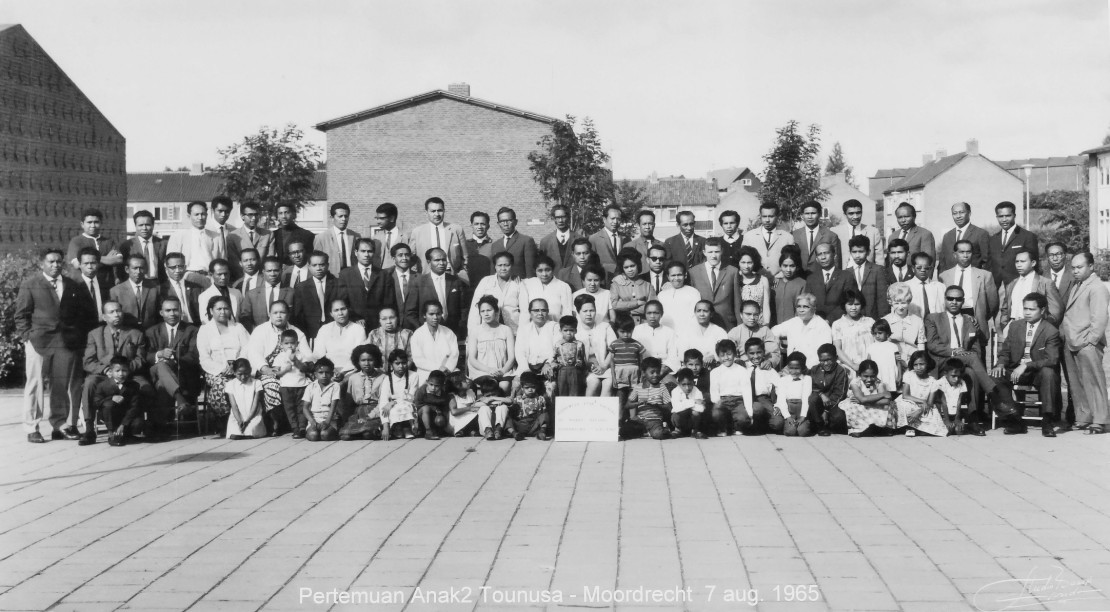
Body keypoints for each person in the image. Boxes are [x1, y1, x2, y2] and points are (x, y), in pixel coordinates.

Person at [923, 285, 1018, 434]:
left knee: (972, 373)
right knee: (972, 358)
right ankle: (994, 396)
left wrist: (964, 355)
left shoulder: (970, 321)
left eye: (958, 299)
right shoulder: (933, 318)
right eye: (950, 298)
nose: (954, 302)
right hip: (943, 362)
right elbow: (933, 345)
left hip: (965, 362)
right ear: (945, 300)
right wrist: (953, 352)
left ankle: (973, 420)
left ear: (963, 301)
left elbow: (976, 349)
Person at [15, 249, 86, 443]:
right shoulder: (31, 284)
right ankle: (32, 426)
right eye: (51, 262)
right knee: (35, 384)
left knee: (60, 384)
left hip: (65, 342)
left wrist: (75, 335)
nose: (55, 265)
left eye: (59, 262)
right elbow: (21, 315)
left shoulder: (72, 284)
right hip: (38, 341)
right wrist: (27, 337)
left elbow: (79, 313)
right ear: (42, 264)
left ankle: (59, 424)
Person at [75, 301, 152, 443]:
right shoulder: (95, 334)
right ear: (104, 317)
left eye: (118, 311)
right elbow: (88, 361)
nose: (116, 314)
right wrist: (105, 370)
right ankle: (89, 428)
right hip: (103, 375)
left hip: (129, 374)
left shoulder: (136, 334)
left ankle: (141, 425)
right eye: (111, 312)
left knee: (145, 386)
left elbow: (140, 359)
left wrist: (125, 370)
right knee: (89, 383)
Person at [990, 292, 1061, 437]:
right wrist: (1001, 364)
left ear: (1042, 311)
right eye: (1025, 309)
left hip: (1036, 372)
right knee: (994, 376)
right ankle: (1013, 418)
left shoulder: (1050, 330)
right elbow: (1005, 351)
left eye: (1032, 309)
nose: (1027, 313)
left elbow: (1051, 359)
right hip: (1014, 369)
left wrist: (1027, 365)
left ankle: (1047, 421)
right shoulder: (1016, 326)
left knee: (1049, 373)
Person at [1059, 252, 1109, 434]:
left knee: (1094, 382)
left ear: (1091, 267)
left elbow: (1100, 318)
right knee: (1077, 383)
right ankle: (1084, 416)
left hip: (1087, 343)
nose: (1075, 271)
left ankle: (1100, 420)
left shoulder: (1097, 287)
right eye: (1073, 267)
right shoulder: (1078, 285)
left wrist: (1091, 341)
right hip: (1072, 340)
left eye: (1079, 267)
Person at [144, 297, 200, 428]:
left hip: (182, 372)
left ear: (181, 311)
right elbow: (145, 356)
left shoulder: (191, 330)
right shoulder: (152, 331)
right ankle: (181, 400)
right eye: (168, 310)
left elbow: (194, 356)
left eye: (175, 310)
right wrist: (159, 354)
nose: (172, 314)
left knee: (161, 384)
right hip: (156, 371)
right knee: (161, 365)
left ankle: (162, 426)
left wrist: (175, 358)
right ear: (161, 313)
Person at [197, 295, 252, 426]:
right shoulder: (205, 330)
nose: (223, 312)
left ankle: (246, 418)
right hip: (216, 371)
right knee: (223, 385)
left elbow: (248, 348)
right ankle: (225, 420)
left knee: (249, 383)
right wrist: (223, 369)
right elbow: (204, 358)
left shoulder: (238, 327)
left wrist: (237, 365)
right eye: (219, 309)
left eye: (226, 308)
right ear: (211, 311)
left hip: (240, 368)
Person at [939, 239, 999, 339]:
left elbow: (993, 303)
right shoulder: (944, 276)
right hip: (952, 317)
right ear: (955, 254)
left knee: (977, 351)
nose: (965, 255)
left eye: (968, 252)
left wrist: (981, 316)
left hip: (975, 317)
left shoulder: (984, 275)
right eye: (961, 252)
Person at [709, 339, 770, 435]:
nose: (726, 358)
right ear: (718, 356)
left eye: (729, 354)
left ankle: (737, 427)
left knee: (744, 417)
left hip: (738, 401)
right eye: (722, 355)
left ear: (735, 354)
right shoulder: (715, 372)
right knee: (716, 414)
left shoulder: (741, 371)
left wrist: (749, 413)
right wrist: (717, 403)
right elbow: (714, 391)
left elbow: (746, 391)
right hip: (722, 401)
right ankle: (723, 428)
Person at [332, 238, 396, 328]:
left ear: (374, 253)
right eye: (363, 251)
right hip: (353, 324)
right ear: (356, 252)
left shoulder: (383, 274)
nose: (366, 255)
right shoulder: (345, 274)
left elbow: (388, 302)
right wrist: (355, 318)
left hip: (378, 325)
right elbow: (343, 302)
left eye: (369, 251)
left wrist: (381, 320)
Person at [405, 247, 469, 337]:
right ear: (429, 262)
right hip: (427, 333)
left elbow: (464, 308)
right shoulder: (418, 283)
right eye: (437, 260)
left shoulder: (456, 281)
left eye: (444, 260)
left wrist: (460, 327)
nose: (441, 263)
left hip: (452, 332)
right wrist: (422, 329)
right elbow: (410, 312)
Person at [997, 249, 1063, 330]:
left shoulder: (1045, 283)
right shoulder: (1011, 284)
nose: (1019, 265)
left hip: (1035, 328)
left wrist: (1042, 328)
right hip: (1012, 327)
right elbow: (1005, 309)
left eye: (1023, 261)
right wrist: (1005, 325)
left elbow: (1056, 312)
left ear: (1033, 263)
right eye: (1017, 262)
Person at [689, 238, 742, 330]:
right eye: (710, 252)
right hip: (702, 323)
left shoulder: (732, 271)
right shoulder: (694, 272)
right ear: (704, 252)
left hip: (727, 323)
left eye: (716, 252)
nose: (713, 256)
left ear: (722, 251)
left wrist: (740, 326)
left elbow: (737, 302)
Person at [467, 295, 517, 394]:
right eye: (482, 311)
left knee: (504, 386)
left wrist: (502, 371)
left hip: (502, 370)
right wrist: (488, 370)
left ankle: (501, 407)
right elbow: (472, 358)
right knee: (490, 386)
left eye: (489, 310)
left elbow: (511, 357)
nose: (486, 314)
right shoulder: (475, 331)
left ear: (496, 311)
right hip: (482, 371)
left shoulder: (506, 330)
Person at [166, 201, 222, 289]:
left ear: (207, 215)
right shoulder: (178, 236)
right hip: (187, 277)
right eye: (196, 214)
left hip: (210, 277)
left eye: (203, 214)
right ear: (189, 216)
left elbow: (221, 260)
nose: (200, 217)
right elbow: (170, 262)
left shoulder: (216, 237)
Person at [92, 356, 145, 447]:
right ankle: (111, 433)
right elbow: (96, 402)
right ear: (111, 371)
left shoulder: (133, 385)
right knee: (108, 404)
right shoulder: (102, 385)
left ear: (129, 371)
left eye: (124, 370)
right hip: (110, 416)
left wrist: (123, 424)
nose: (121, 374)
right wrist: (111, 398)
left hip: (126, 416)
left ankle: (126, 434)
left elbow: (134, 406)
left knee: (138, 423)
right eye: (117, 371)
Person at [467, 251, 525, 333]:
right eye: (500, 265)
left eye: (506, 265)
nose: (503, 268)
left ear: (512, 265)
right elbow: (475, 309)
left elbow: (524, 311)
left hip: (514, 330)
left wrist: (523, 333)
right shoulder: (486, 281)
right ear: (495, 266)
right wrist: (472, 333)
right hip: (488, 330)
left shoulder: (518, 283)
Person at [407, 197, 467, 275]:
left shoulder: (456, 230)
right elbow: (411, 257)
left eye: (440, 210)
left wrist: (462, 272)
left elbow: (465, 256)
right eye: (433, 211)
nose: (437, 214)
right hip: (427, 276)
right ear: (426, 212)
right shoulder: (417, 232)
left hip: (451, 275)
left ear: (444, 211)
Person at [771, 292, 833, 368]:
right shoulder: (795, 321)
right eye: (798, 306)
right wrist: (777, 340)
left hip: (812, 369)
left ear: (814, 308)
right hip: (792, 368)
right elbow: (774, 331)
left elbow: (823, 355)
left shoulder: (822, 326)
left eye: (805, 307)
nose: (801, 310)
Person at [312, 299, 368, 382]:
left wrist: (343, 372)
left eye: (343, 309)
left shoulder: (358, 329)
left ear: (348, 310)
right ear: (331, 313)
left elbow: (359, 356)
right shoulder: (324, 329)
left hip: (352, 371)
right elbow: (318, 354)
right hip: (328, 371)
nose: (340, 313)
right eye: (336, 310)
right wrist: (332, 370)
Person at [895, 351, 946, 437]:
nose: (919, 367)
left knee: (933, 414)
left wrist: (920, 411)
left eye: (922, 364)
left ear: (928, 364)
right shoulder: (909, 375)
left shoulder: (933, 381)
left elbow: (930, 403)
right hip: (909, 401)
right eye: (915, 365)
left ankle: (918, 428)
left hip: (924, 407)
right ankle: (909, 427)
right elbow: (905, 395)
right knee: (904, 406)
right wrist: (922, 401)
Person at [989, 200, 1039, 288]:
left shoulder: (1028, 236)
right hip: (996, 286)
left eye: (1008, 216)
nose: (1004, 219)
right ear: (997, 217)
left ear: (1014, 216)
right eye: (1001, 216)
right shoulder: (993, 239)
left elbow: (1034, 265)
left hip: (1019, 285)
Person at [66, 208, 122, 285]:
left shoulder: (109, 241)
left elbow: (118, 259)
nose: (93, 225)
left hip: (106, 284)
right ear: (82, 224)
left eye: (96, 222)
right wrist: (107, 259)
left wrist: (89, 260)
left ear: (101, 223)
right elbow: (77, 264)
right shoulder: (76, 241)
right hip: (82, 284)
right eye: (89, 222)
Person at [340, 344, 385, 440]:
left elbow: (383, 401)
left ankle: (372, 430)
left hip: (376, 410)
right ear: (358, 362)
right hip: (359, 412)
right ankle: (359, 431)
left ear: (376, 360)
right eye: (363, 360)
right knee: (345, 435)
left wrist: (370, 415)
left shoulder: (383, 377)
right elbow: (349, 401)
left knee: (368, 434)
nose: (367, 363)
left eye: (370, 360)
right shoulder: (353, 378)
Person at [805, 242, 858, 323]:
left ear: (835, 256)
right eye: (819, 254)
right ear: (816, 259)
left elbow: (848, 302)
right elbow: (808, 303)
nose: (823, 257)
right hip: (816, 323)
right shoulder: (811, 278)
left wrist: (830, 320)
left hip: (840, 322)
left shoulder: (846, 276)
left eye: (826, 253)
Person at [620, 357, 672, 440]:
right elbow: (627, 405)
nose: (655, 375)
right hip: (640, 420)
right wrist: (639, 403)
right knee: (623, 431)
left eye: (657, 372)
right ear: (643, 373)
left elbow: (669, 407)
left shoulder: (662, 387)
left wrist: (657, 405)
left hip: (655, 420)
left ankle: (661, 430)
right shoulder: (638, 387)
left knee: (658, 434)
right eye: (652, 372)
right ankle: (646, 432)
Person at [292, 251, 338, 342]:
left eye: (322, 265)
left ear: (327, 265)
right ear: (309, 266)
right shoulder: (301, 287)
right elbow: (298, 315)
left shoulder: (338, 283)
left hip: (334, 330)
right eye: (314, 265)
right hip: (311, 333)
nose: (318, 268)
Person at [576, 294, 616, 398]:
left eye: (592, 310)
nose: (589, 314)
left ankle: (604, 413)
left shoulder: (605, 327)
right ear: (578, 312)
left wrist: (604, 366)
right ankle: (587, 412)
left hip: (605, 367)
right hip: (585, 370)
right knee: (593, 382)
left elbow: (614, 349)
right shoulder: (574, 330)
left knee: (609, 383)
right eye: (585, 311)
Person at [842, 359, 895, 437]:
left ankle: (881, 427)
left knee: (888, 406)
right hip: (859, 404)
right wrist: (882, 394)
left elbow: (886, 401)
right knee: (855, 406)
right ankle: (857, 428)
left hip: (868, 404)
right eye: (865, 376)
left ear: (876, 374)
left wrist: (864, 401)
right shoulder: (855, 383)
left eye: (872, 376)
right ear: (860, 374)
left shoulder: (879, 383)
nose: (869, 379)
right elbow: (862, 399)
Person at [410, 301, 459, 382]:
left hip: (448, 372)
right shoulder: (417, 334)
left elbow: (454, 355)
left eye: (438, 314)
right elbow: (418, 360)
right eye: (431, 314)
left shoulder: (448, 332)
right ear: (424, 315)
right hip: (426, 373)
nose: (435, 317)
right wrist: (438, 369)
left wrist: (448, 368)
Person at [240, 256, 293, 331]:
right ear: (263, 272)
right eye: (269, 271)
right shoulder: (252, 294)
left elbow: (296, 318)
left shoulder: (291, 292)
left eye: (276, 270)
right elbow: (245, 318)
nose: (272, 274)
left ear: (281, 270)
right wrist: (256, 332)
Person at [808, 344, 850, 436]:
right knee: (812, 399)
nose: (826, 363)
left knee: (839, 417)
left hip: (833, 404)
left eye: (828, 360)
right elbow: (809, 386)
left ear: (836, 358)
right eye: (822, 361)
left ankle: (829, 426)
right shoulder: (815, 369)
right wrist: (821, 394)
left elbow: (839, 393)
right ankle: (820, 425)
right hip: (818, 402)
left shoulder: (841, 371)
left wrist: (826, 411)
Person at [769, 352, 815, 437]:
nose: (793, 371)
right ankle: (788, 425)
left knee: (803, 432)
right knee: (790, 432)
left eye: (797, 368)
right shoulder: (783, 380)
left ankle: (806, 424)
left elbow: (806, 398)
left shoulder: (807, 379)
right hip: (789, 410)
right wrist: (787, 417)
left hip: (802, 410)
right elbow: (781, 399)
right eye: (791, 368)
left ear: (803, 368)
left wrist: (803, 416)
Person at [111, 254, 161, 330]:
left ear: (145, 269)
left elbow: (159, 313)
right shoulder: (116, 291)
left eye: (141, 268)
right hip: (128, 333)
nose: (138, 272)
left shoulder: (154, 288)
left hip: (150, 331)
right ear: (127, 269)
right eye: (135, 268)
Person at [845, 236, 890, 321]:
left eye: (861, 251)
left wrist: (882, 320)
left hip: (873, 318)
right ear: (850, 252)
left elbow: (882, 299)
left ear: (868, 252)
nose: (857, 255)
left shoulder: (878, 270)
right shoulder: (846, 273)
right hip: (853, 319)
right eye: (854, 252)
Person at [632, 301, 680, 380]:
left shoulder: (669, 332)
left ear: (661, 314)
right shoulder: (638, 330)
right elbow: (633, 353)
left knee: (669, 384)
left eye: (656, 313)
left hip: (662, 370)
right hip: (643, 370)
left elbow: (673, 356)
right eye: (649, 313)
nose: (652, 316)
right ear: (645, 314)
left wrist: (661, 372)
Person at [743, 202, 794, 276]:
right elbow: (743, 260)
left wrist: (781, 275)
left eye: (771, 216)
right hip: (755, 280)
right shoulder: (749, 236)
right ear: (760, 216)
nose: (767, 220)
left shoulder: (787, 237)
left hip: (779, 281)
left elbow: (792, 261)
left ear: (777, 217)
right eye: (764, 216)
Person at [515, 298, 559, 384]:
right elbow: (519, 352)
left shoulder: (554, 327)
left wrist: (548, 363)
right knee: (516, 384)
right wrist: (526, 370)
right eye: (536, 310)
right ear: (530, 312)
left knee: (551, 386)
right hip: (528, 367)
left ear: (548, 311)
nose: (540, 313)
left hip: (547, 367)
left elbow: (557, 349)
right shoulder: (523, 329)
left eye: (543, 310)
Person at [727, 300, 781, 370]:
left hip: (761, 367)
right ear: (741, 314)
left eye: (755, 314)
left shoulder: (765, 331)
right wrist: (736, 360)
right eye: (748, 314)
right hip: (740, 368)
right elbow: (729, 353)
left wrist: (770, 362)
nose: (752, 318)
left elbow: (774, 352)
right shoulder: (734, 332)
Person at [937, 202, 990, 272]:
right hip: (950, 280)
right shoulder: (947, 236)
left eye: (961, 212)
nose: (958, 216)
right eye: (954, 213)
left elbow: (987, 261)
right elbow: (942, 262)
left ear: (969, 213)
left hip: (973, 279)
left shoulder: (981, 234)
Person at [609, 316, 647, 412]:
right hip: (620, 373)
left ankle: (632, 419)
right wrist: (613, 377)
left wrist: (642, 375)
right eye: (622, 332)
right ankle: (619, 420)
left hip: (634, 374)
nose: (626, 334)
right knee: (620, 397)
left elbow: (641, 361)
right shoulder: (614, 344)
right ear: (617, 330)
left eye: (629, 331)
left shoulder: (637, 344)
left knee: (633, 397)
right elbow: (612, 361)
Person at [831, 290, 874, 373]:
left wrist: (867, 365)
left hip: (870, 368)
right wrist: (853, 365)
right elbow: (837, 349)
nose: (853, 308)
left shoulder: (870, 322)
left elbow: (876, 346)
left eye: (857, 304)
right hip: (848, 368)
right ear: (844, 305)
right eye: (850, 304)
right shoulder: (837, 324)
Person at [117, 209, 166, 283]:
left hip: (158, 284)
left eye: (147, 225)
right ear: (135, 226)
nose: (144, 228)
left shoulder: (163, 244)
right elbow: (121, 268)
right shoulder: (126, 246)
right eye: (140, 225)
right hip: (137, 284)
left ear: (153, 225)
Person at [378, 349, 418, 440]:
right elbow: (383, 402)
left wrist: (393, 402)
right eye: (397, 363)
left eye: (404, 363)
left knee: (406, 406)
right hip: (392, 409)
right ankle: (396, 428)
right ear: (391, 364)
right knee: (388, 409)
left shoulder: (414, 376)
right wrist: (385, 427)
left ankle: (407, 428)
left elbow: (410, 398)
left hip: (408, 406)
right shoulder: (387, 379)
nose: (401, 366)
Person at [522, 254, 574, 321]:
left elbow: (567, 312)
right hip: (533, 327)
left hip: (556, 326)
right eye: (540, 271)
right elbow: (524, 312)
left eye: (547, 270)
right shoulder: (527, 284)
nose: (544, 274)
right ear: (535, 271)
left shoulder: (563, 286)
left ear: (553, 269)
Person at [792, 201, 841, 270]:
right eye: (807, 213)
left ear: (820, 214)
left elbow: (835, 262)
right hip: (799, 277)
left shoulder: (831, 236)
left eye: (813, 213)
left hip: (821, 277)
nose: (810, 217)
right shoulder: (794, 235)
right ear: (802, 215)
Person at [883, 282, 926, 362]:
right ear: (891, 303)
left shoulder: (917, 321)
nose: (900, 307)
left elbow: (921, 343)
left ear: (909, 301)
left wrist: (920, 360)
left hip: (912, 360)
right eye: (896, 303)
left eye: (903, 303)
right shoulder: (885, 320)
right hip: (891, 360)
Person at [224, 358, 266, 440]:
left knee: (251, 431)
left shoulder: (256, 383)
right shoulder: (230, 384)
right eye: (240, 374)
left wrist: (247, 420)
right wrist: (239, 420)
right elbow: (234, 406)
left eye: (246, 373)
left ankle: (250, 430)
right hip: (237, 416)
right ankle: (239, 428)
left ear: (250, 370)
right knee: (235, 433)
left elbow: (255, 404)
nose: (243, 377)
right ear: (234, 372)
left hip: (253, 415)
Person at [314, 202, 360, 275]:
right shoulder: (321, 238)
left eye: (346, 216)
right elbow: (317, 261)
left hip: (352, 277)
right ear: (332, 218)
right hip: (332, 278)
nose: (344, 219)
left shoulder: (356, 236)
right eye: (340, 216)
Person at [834, 199, 884, 265]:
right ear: (844, 214)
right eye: (851, 213)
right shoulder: (835, 232)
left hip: (867, 273)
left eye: (858, 213)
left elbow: (879, 259)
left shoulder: (873, 232)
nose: (855, 217)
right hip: (843, 273)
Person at [301, 358, 341, 442]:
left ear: (332, 374)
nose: (324, 375)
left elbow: (333, 407)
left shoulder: (335, 386)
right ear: (315, 374)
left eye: (327, 373)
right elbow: (305, 407)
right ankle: (310, 432)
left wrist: (327, 422)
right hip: (314, 419)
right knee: (313, 436)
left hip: (329, 420)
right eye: (321, 373)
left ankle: (331, 432)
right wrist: (312, 422)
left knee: (325, 435)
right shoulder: (310, 386)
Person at [679, 300, 728, 366]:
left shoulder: (719, 331)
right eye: (698, 311)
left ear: (711, 314)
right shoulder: (687, 331)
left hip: (713, 366)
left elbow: (725, 351)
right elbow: (681, 353)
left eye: (705, 311)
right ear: (695, 313)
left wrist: (714, 356)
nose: (701, 314)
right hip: (692, 368)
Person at [493, 207, 537, 279]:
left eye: (509, 220)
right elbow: (493, 272)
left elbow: (530, 271)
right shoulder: (495, 245)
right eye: (502, 221)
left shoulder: (526, 241)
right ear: (498, 224)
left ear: (515, 222)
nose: (505, 224)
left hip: (520, 285)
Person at [228, 201, 274, 270]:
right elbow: (234, 261)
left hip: (262, 275)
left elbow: (270, 258)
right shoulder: (233, 236)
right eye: (250, 215)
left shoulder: (268, 234)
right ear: (242, 216)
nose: (254, 218)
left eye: (256, 215)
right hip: (242, 276)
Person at [656, 261, 700, 331]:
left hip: (686, 332)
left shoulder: (693, 292)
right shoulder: (662, 295)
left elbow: (695, 316)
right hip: (665, 331)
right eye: (673, 275)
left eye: (679, 275)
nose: (676, 278)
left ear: (685, 275)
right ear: (668, 277)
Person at [610, 252, 653, 324]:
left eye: (632, 266)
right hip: (623, 325)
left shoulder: (647, 285)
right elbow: (614, 305)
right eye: (626, 267)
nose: (630, 270)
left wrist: (623, 307)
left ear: (638, 265)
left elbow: (652, 307)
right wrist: (638, 303)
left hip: (643, 323)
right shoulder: (616, 284)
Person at [159, 253, 201, 327]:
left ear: (185, 267)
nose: (177, 270)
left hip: (195, 326)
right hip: (175, 328)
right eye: (173, 267)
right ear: (166, 269)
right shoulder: (161, 290)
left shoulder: (196, 288)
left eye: (180, 267)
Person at [932, 358, 972, 436]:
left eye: (958, 376)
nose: (956, 379)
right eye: (953, 376)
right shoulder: (940, 383)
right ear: (945, 373)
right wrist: (947, 420)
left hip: (955, 412)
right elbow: (943, 402)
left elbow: (959, 401)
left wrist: (957, 419)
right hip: (942, 413)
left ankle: (954, 424)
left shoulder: (961, 383)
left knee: (959, 431)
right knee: (947, 431)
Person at [538, 204, 584, 270]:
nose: (560, 220)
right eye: (557, 217)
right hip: (554, 279)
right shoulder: (545, 241)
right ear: (554, 219)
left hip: (574, 278)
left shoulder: (579, 239)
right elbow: (542, 265)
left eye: (563, 217)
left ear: (568, 217)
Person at [197, 259, 243, 323]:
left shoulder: (237, 293)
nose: (223, 277)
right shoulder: (204, 296)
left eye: (226, 274)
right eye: (219, 274)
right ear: (211, 274)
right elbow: (205, 320)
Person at [412, 369, 452, 440]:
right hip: (421, 415)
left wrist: (443, 419)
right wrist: (433, 408)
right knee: (426, 408)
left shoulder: (443, 395)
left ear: (442, 386)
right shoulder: (422, 391)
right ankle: (428, 431)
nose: (433, 388)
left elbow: (445, 408)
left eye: (437, 386)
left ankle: (438, 430)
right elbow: (416, 405)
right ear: (427, 382)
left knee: (441, 419)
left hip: (435, 416)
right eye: (431, 385)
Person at [552, 315, 586, 397]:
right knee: (562, 392)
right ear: (560, 331)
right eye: (565, 330)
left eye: (571, 330)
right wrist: (554, 365)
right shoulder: (558, 344)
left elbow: (583, 359)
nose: (568, 333)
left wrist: (581, 365)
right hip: (562, 371)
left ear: (576, 331)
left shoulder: (579, 344)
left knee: (574, 393)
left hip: (575, 371)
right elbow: (554, 358)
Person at [736, 246, 771, 324]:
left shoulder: (763, 280)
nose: (746, 266)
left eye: (749, 262)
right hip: (741, 323)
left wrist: (766, 324)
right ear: (738, 263)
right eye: (743, 262)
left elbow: (766, 305)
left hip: (759, 322)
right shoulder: (735, 280)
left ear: (754, 263)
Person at [772, 247, 807, 326]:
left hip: (793, 327)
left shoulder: (802, 283)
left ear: (797, 267)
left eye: (792, 266)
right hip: (774, 326)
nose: (788, 269)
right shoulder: (774, 282)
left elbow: (802, 310)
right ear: (780, 266)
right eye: (785, 266)